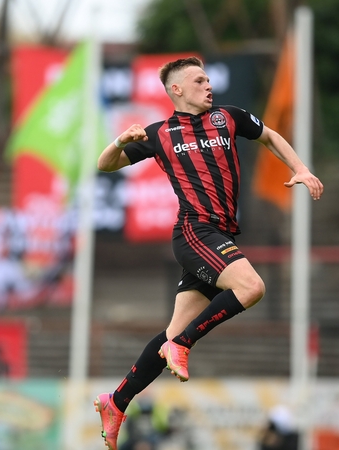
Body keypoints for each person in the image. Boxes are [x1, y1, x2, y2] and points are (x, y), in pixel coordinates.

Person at [93, 56, 323, 450]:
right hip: (194, 231)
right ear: (177, 90)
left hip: (218, 233)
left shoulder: (228, 117)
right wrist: (120, 141)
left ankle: (116, 401)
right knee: (251, 287)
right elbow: (104, 165)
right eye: (199, 81)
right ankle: (183, 345)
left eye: (208, 79)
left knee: (170, 331)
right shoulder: (159, 132)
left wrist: (300, 168)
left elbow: (269, 136)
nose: (208, 85)